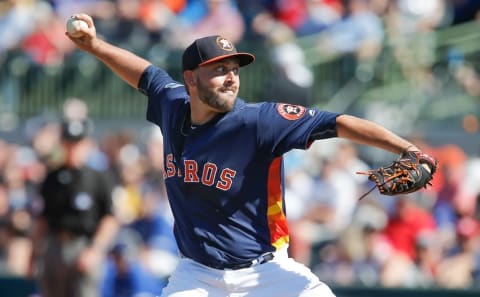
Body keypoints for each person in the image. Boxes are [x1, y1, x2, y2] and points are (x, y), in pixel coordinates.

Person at [65, 13, 435, 297]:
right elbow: (145, 75)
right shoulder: (173, 103)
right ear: (191, 78)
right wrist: (95, 46)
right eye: (219, 69)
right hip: (198, 273)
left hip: (265, 272)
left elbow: (340, 123)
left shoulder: (261, 122)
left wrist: (409, 149)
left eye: (234, 69)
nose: (231, 77)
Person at [30, 118, 119, 297]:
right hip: (55, 244)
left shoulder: (99, 177)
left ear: (87, 144)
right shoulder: (52, 177)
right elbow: (42, 218)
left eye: (77, 143)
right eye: (68, 142)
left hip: (84, 244)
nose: (73, 148)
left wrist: (95, 249)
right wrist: (33, 254)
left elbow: (110, 219)